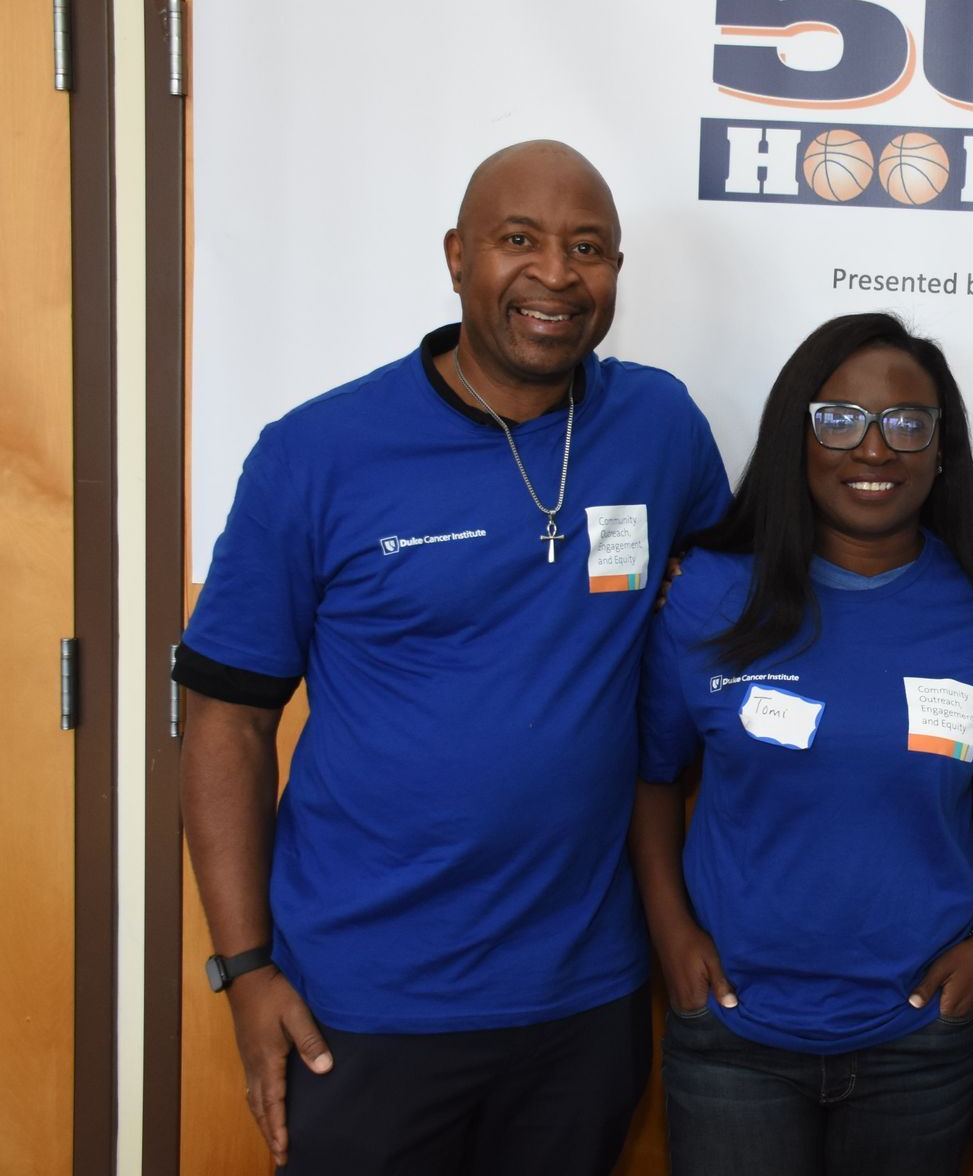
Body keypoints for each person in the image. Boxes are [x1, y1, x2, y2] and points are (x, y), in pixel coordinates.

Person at [175, 140, 730, 1174]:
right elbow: (228, 720)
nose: (557, 274)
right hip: (364, 1002)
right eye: (519, 240)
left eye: (590, 248)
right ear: (456, 257)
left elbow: (736, 602)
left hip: (584, 998)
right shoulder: (318, 452)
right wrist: (245, 964)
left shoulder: (659, 426)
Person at [632, 312, 973, 1176]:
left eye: (907, 424)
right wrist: (670, 930)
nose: (873, 449)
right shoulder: (707, 598)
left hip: (923, 1040)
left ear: (942, 447)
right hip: (735, 1034)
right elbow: (652, 778)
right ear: (794, 437)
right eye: (838, 419)